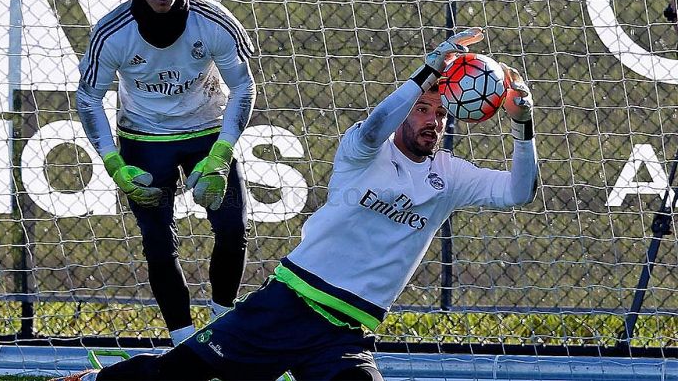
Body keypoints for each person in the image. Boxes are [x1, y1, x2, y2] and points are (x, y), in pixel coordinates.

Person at [54, 27, 538, 381]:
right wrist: (429, 69)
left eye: (440, 113)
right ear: (404, 114)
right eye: (422, 109)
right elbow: (375, 124)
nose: (433, 120)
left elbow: (519, 191)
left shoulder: (450, 176)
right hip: (289, 303)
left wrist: (522, 126)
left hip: (346, 333)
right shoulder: (363, 149)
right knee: (178, 377)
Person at [75, 0, 256, 346]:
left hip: (207, 134)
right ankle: (183, 343)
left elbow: (244, 88)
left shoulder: (214, 22)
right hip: (143, 140)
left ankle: (221, 330)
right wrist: (112, 163)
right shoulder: (112, 33)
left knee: (233, 228)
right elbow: (88, 98)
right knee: (158, 243)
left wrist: (222, 154)